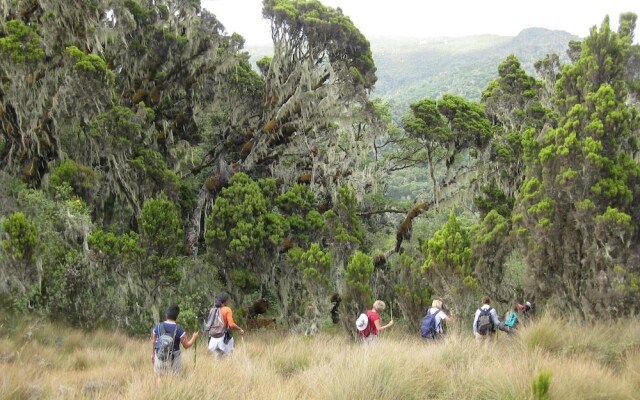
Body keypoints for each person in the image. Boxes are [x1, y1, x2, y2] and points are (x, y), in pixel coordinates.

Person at [151, 304, 199, 375]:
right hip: (174, 357)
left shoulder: (157, 327)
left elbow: (153, 342)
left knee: (159, 377)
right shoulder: (179, 329)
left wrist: (152, 354)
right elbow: (186, 345)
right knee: (174, 378)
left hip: (159, 355)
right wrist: (194, 338)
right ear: (177, 316)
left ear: (166, 314)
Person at [207, 292, 244, 359]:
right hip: (223, 338)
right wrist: (239, 329)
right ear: (225, 301)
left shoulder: (212, 310)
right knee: (228, 357)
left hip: (213, 338)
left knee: (217, 358)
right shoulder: (227, 309)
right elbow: (231, 324)